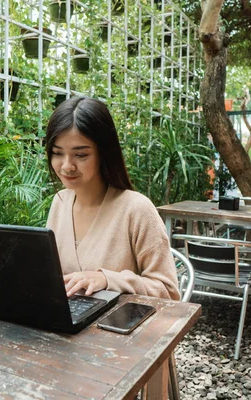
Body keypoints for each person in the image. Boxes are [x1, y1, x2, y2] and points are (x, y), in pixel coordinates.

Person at [45, 97, 180, 300]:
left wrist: (107, 280)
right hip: (66, 325)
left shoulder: (136, 209)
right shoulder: (60, 202)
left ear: (104, 153)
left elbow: (168, 292)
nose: (67, 166)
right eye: (57, 153)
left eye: (80, 155)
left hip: (118, 329)